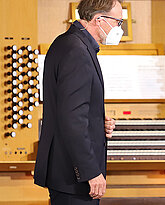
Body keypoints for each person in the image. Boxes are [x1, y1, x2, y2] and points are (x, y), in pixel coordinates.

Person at [34, 0, 122, 204]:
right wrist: (91, 171)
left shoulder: (70, 42)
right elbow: (72, 118)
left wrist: (97, 120)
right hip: (73, 177)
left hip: (67, 172)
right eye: (118, 22)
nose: (120, 28)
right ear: (99, 20)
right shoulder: (77, 50)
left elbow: (71, 107)